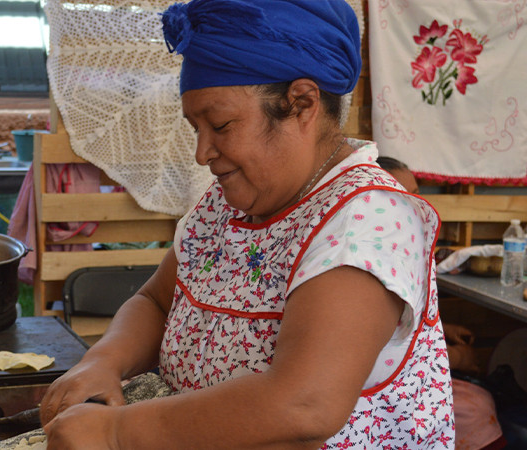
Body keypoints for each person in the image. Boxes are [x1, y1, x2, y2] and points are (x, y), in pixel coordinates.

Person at [40, 1, 454, 448]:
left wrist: (118, 433)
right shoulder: (227, 205)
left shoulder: (370, 219)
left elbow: (304, 403)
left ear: (302, 104)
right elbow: (157, 302)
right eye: (195, 127)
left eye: (220, 124)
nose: (202, 152)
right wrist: (104, 360)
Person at [378, 156, 506, 449]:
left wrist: (443, 327)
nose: (417, 205)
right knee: (478, 407)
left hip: (412, 374)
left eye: (417, 194)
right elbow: (386, 346)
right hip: (391, 389)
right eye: (404, 196)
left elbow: (400, 318)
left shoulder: (405, 248)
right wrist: (457, 358)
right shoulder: (377, 260)